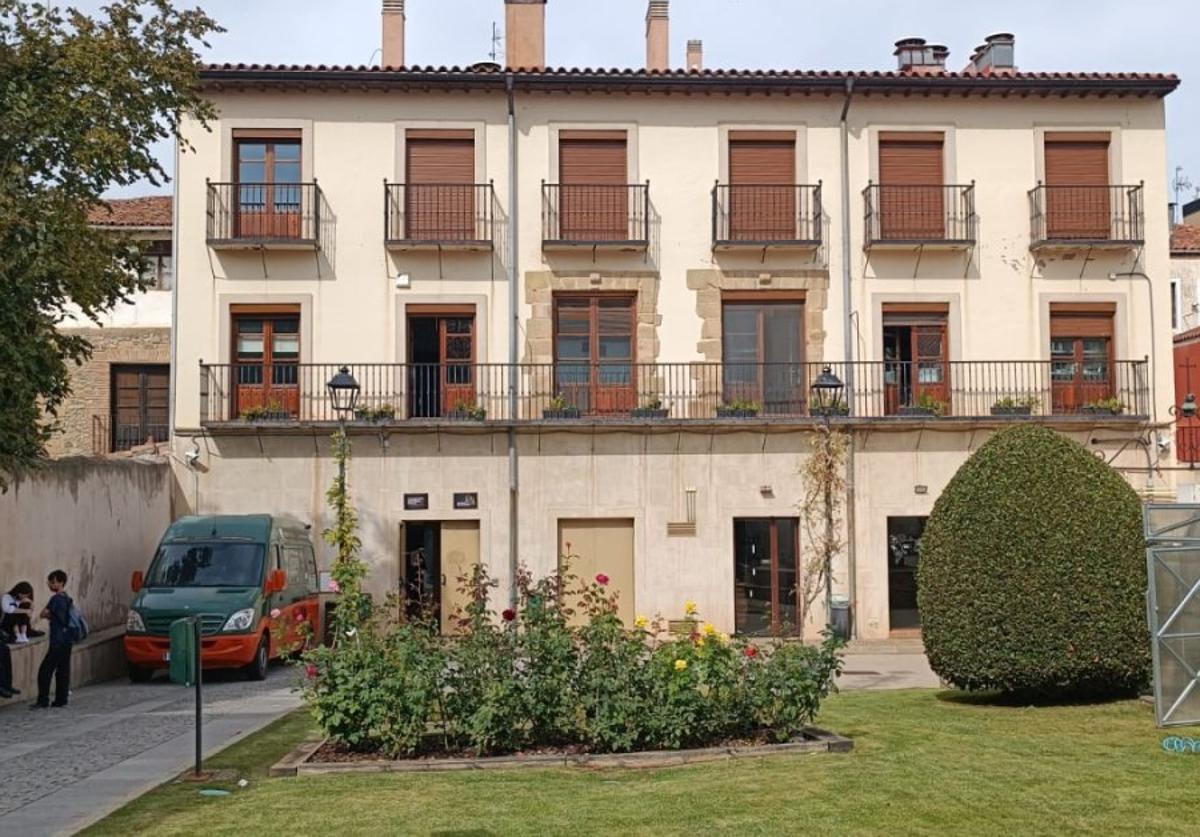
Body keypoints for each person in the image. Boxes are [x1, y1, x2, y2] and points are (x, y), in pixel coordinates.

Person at [32, 570, 73, 709]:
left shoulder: (56, 599)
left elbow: (43, 613)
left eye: (53, 582)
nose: (50, 584)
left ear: (60, 582)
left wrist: (48, 614)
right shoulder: (67, 598)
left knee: (45, 670)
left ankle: (43, 699)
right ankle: (61, 699)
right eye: (50, 582)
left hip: (57, 640)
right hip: (67, 639)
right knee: (63, 670)